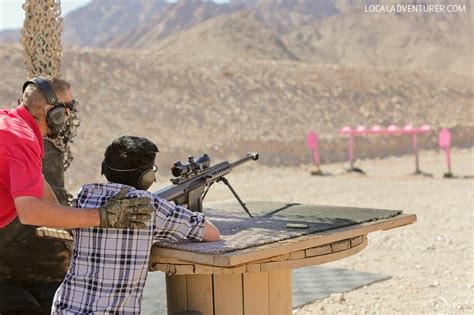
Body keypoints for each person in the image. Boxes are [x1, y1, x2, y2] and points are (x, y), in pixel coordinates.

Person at [0, 77, 154, 313]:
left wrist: (70, 217)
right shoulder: (22, 140)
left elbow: (37, 183)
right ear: (54, 113)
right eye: (67, 109)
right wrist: (101, 217)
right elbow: (30, 212)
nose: (69, 116)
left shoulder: (10, 123)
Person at [51, 135, 220, 314]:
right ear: (146, 176)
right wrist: (179, 211)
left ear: (104, 168)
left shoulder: (84, 195)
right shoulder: (149, 205)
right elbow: (212, 233)